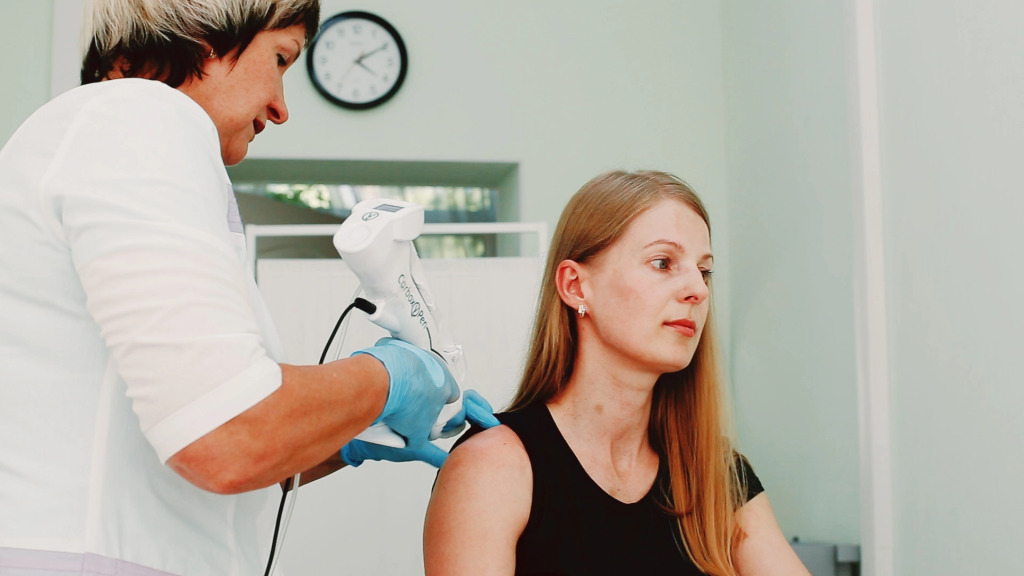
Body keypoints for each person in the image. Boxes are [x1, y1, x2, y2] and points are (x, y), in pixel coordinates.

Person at [0, 1, 496, 574]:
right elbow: (228, 437)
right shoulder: (139, 121)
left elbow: (189, 446)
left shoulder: (113, 138)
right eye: (280, 59)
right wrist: (390, 378)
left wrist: (350, 433)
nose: (281, 109)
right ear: (204, 32)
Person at [424, 170, 810, 575]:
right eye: (663, 262)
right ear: (576, 286)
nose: (698, 290)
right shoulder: (493, 467)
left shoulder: (717, 476)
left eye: (704, 271)